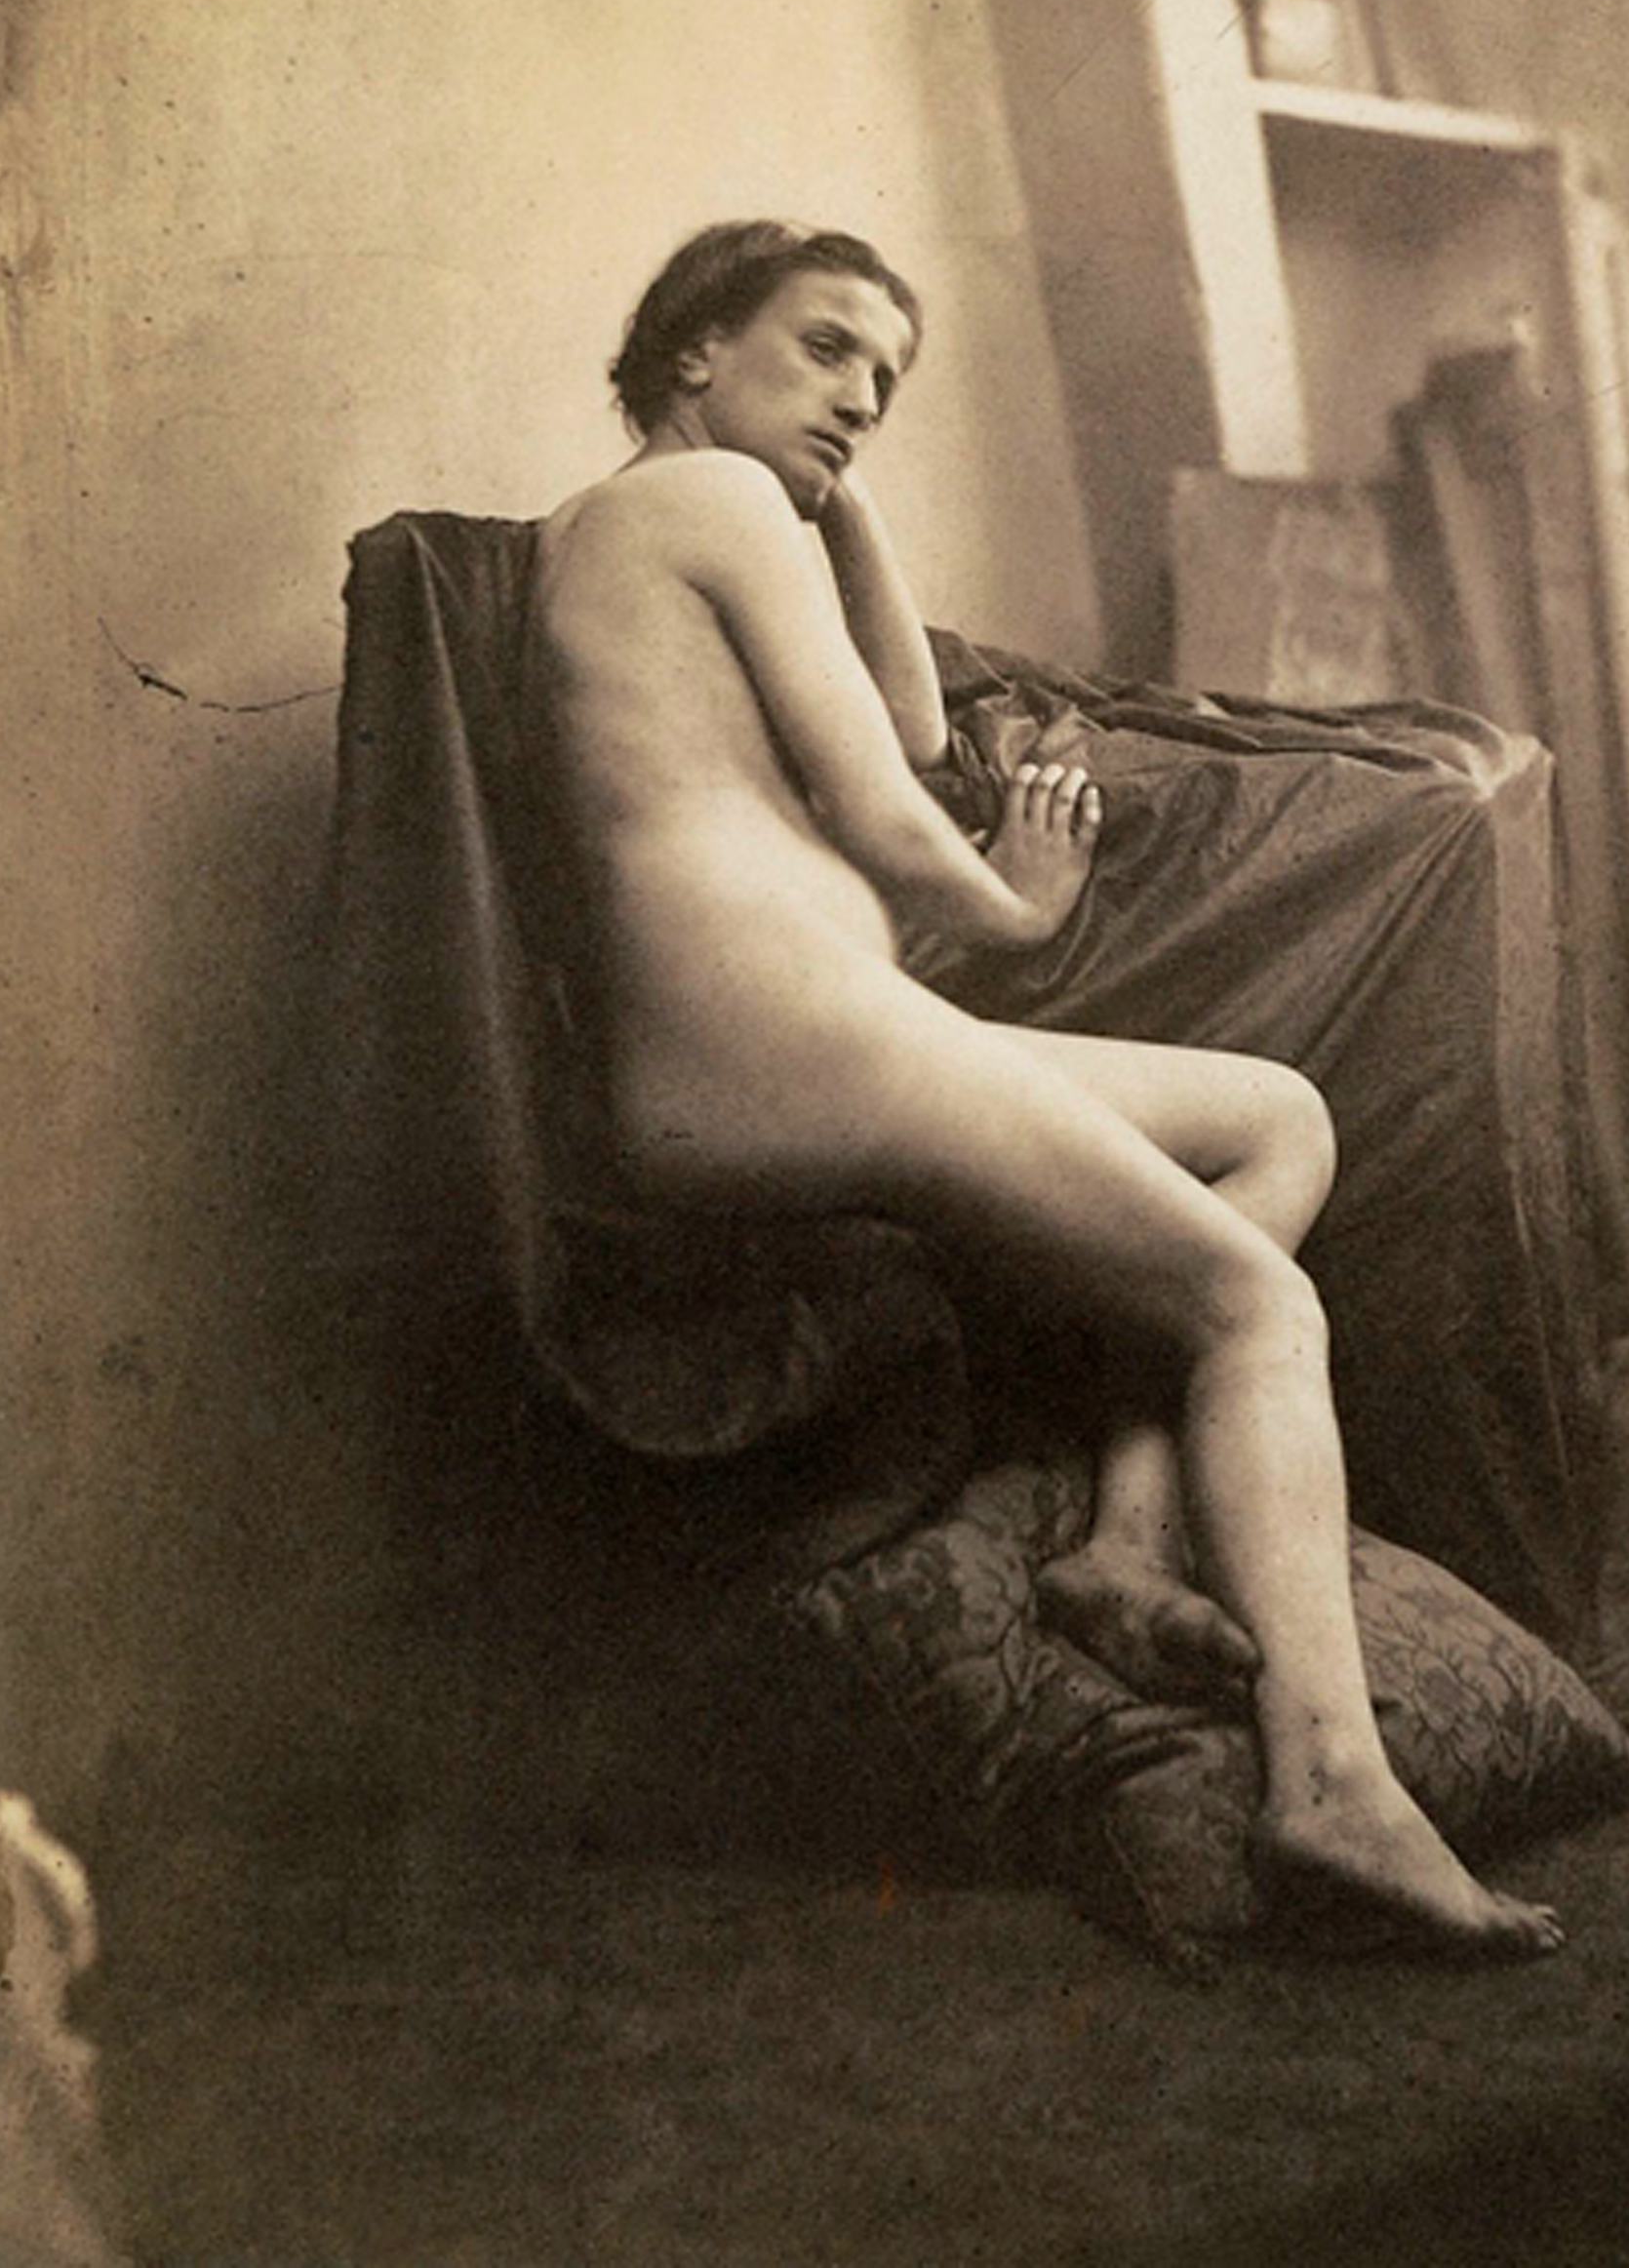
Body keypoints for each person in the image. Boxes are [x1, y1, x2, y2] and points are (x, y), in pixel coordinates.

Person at [525, 219, 1562, 1960]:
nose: (860, 396)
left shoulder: (655, 519)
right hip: (780, 1042)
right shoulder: (701, 501)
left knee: (1275, 1118)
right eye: (824, 347)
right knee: (1258, 1304)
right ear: (693, 348)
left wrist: (844, 490)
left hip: (782, 1041)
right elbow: (887, 804)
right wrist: (1017, 906)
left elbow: (917, 730)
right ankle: (1333, 1782)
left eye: (885, 381)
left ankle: (1123, 1542)